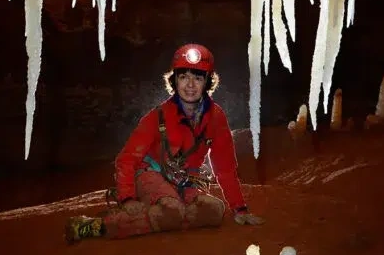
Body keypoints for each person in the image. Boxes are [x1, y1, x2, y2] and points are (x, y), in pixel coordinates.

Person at [65, 43, 265, 242]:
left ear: (207, 82)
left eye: (197, 77)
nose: (190, 85)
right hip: (149, 173)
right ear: (174, 80)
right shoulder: (157, 116)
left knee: (213, 211)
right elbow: (126, 159)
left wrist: (239, 208)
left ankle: (159, 214)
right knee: (171, 210)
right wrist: (127, 197)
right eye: (183, 77)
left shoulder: (216, 118)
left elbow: (225, 167)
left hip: (186, 178)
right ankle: (95, 226)